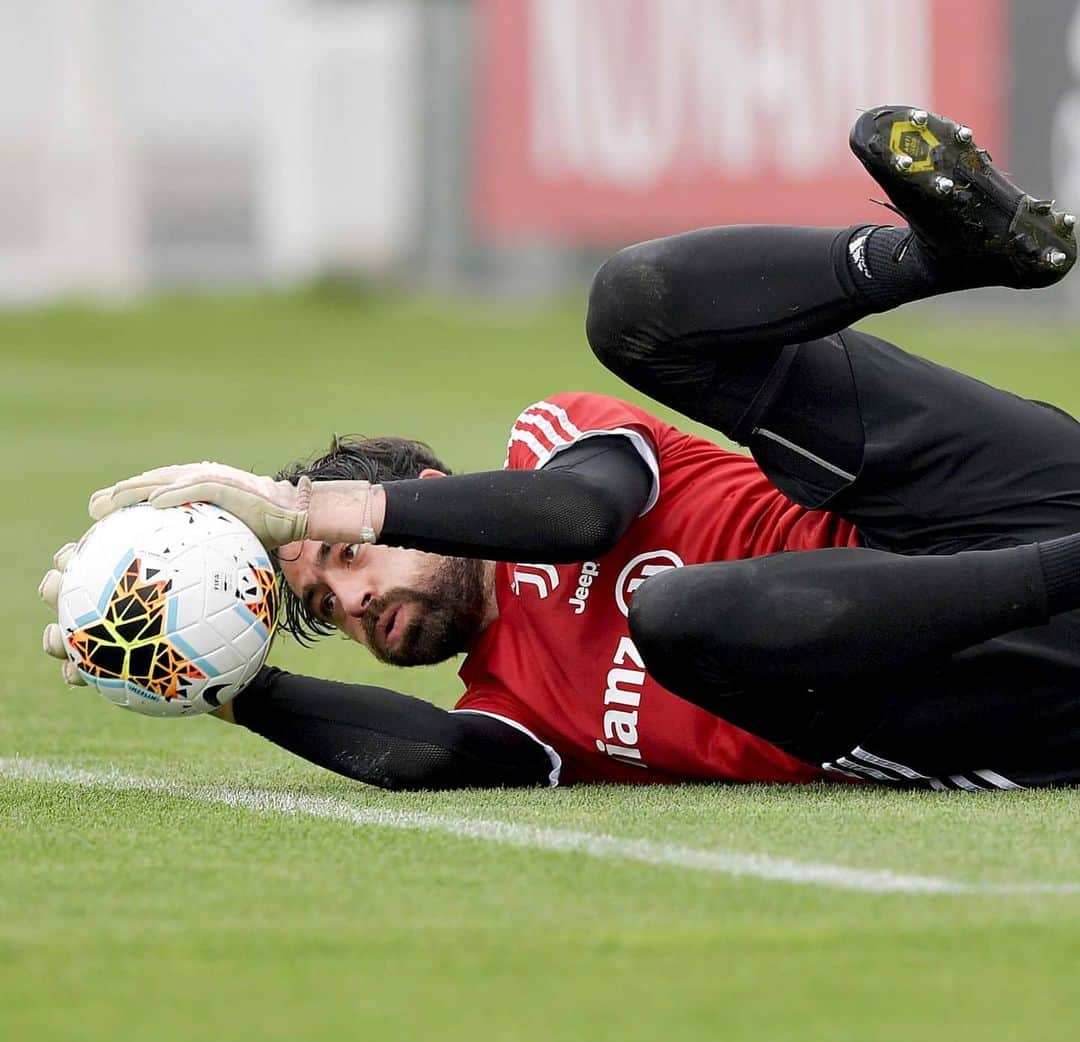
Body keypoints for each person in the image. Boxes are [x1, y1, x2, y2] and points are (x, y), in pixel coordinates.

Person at [40, 105, 1080, 792]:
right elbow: (429, 753)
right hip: (982, 691)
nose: (352, 604)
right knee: (677, 618)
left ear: (432, 490)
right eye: (323, 610)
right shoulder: (514, 709)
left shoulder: (555, 441)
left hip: (983, 500)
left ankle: (939, 252)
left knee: (631, 308)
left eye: (348, 567)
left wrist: (311, 510)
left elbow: (579, 519)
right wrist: (224, 686)